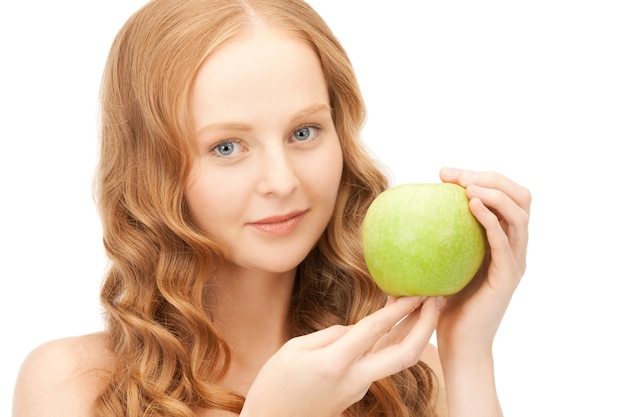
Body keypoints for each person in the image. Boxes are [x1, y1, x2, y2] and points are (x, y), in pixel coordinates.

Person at [12, 0, 531, 416]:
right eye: (227, 147)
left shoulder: (410, 374)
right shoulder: (74, 387)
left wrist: (467, 354)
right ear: (153, 169)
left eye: (304, 132)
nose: (282, 181)